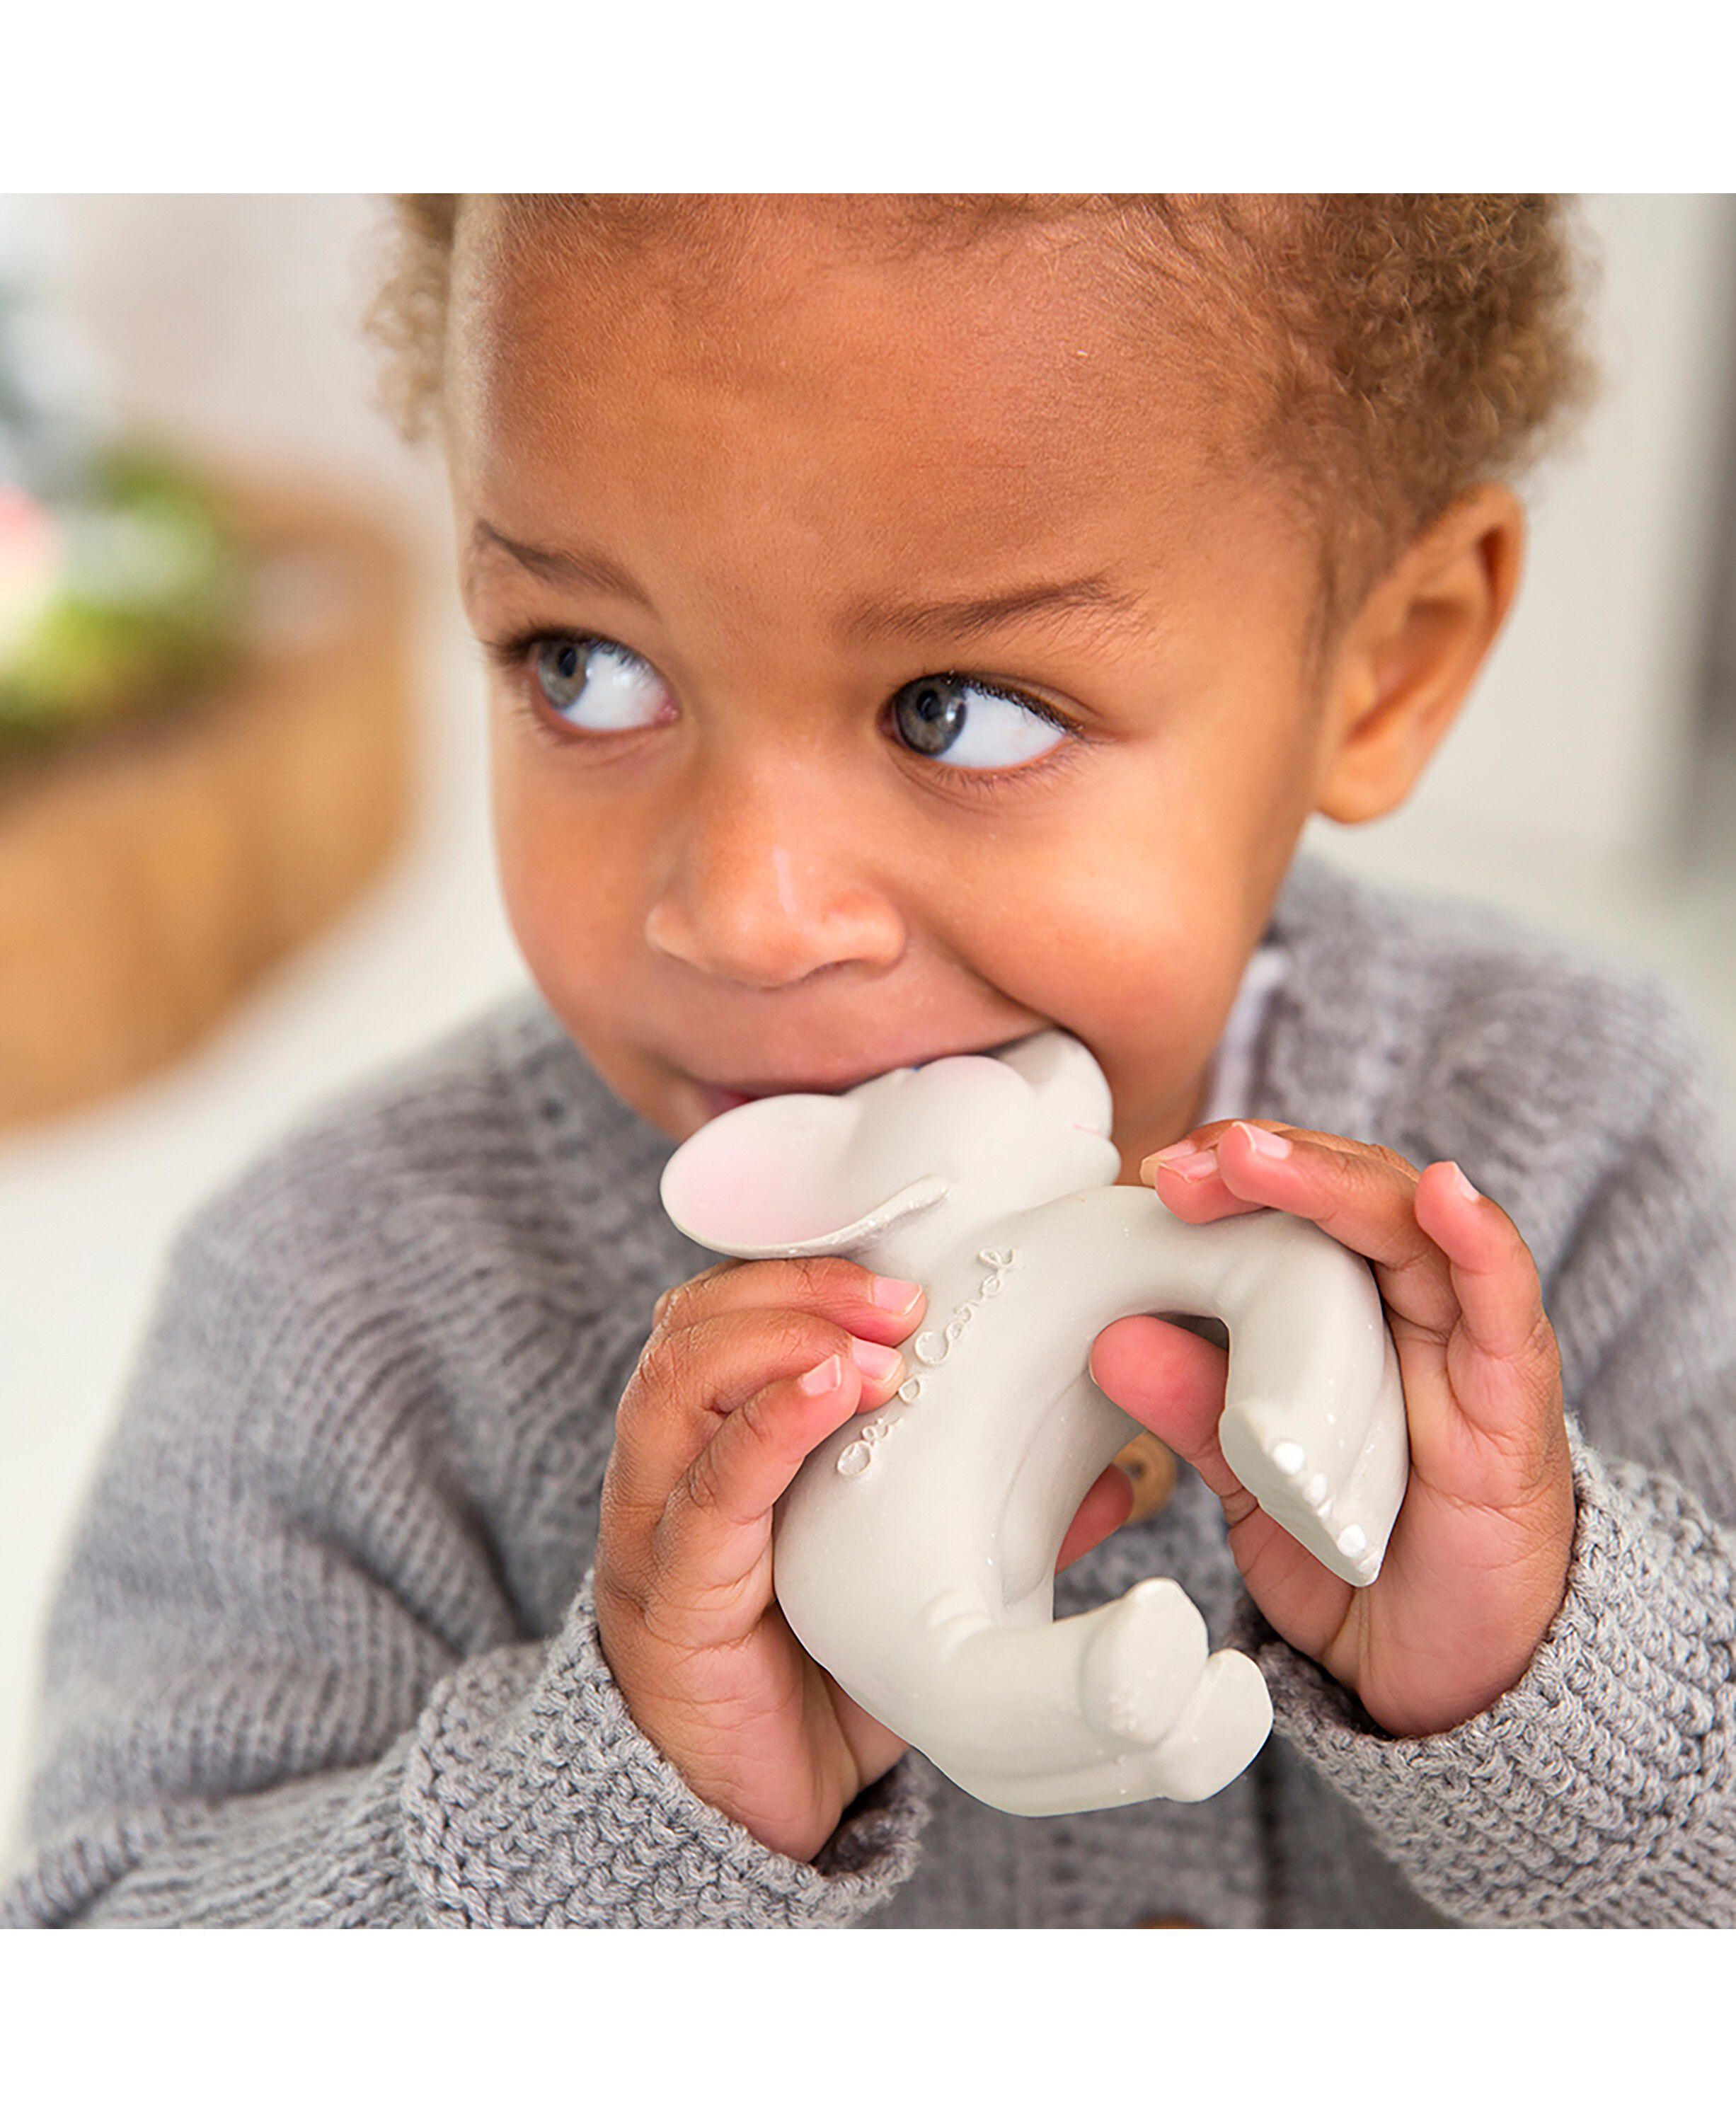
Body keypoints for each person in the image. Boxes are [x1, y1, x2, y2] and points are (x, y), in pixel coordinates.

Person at [6, 194, 1734, 1928]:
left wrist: (1548, 1667)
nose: (746, 916)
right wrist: (622, 1807)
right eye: (587, 669)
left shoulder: (1582, 1145)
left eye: (957, 709)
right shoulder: (342, 1296)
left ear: (1390, 664)